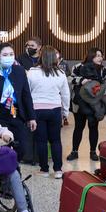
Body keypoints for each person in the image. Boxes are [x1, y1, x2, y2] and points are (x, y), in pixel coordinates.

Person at [0, 43, 37, 161]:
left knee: (22, 147)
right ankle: (5, 174)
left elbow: (26, 95)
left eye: (11, 54)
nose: (9, 57)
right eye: (5, 54)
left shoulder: (20, 71)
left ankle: (14, 167)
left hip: (16, 113)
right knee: (2, 148)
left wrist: (31, 117)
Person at [27, 46, 70, 179]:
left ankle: (44, 170)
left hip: (37, 110)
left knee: (41, 141)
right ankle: (58, 170)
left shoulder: (32, 72)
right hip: (55, 110)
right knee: (56, 140)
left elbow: (26, 93)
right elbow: (65, 94)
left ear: (41, 56)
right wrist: (65, 112)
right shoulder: (60, 73)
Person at [67, 47, 106, 161]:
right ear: (91, 56)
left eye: (101, 55)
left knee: (93, 127)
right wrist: (82, 81)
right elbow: (70, 78)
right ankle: (74, 151)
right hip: (79, 103)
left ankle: (93, 152)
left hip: (95, 104)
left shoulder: (104, 70)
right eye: (97, 55)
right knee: (78, 127)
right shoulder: (78, 67)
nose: (100, 58)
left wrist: (98, 90)